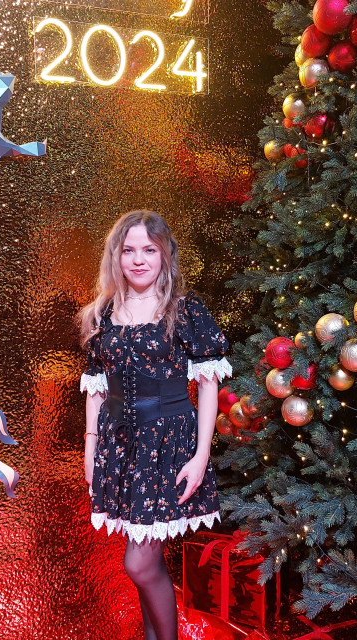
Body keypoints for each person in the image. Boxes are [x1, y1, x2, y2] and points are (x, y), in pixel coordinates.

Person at [78, 210, 232, 640]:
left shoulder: (184, 311)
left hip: (167, 443)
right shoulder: (101, 314)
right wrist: (90, 449)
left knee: (140, 563)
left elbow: (207, 386)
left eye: (149, 249)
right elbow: (96, 389)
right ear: (116, 256)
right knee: (146, 562)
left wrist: (201, 456)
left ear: (165, 254)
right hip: (120, 444)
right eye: (129, 250)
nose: (138, 259)